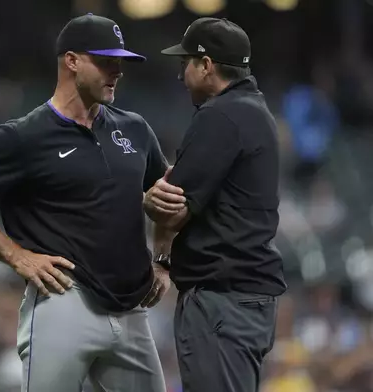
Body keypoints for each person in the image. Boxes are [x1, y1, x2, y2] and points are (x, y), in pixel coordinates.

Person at [0, 13, 183, 392]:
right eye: (106, 61)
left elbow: (170, 195)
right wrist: (17, 255)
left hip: (132, 307)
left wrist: (165, 259)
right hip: (65, 299)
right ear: (72, 61)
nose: (117, 71)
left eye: (121, 62)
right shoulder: (24, 136)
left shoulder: (134, 128)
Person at [143, 17, 288, 392]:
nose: (180, 75)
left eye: (185, 63)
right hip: (244, 296)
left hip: (222, 299)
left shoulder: (221, 115)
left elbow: (172, 207)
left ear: (206, 65)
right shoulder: (253, 110)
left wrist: (148, 198)